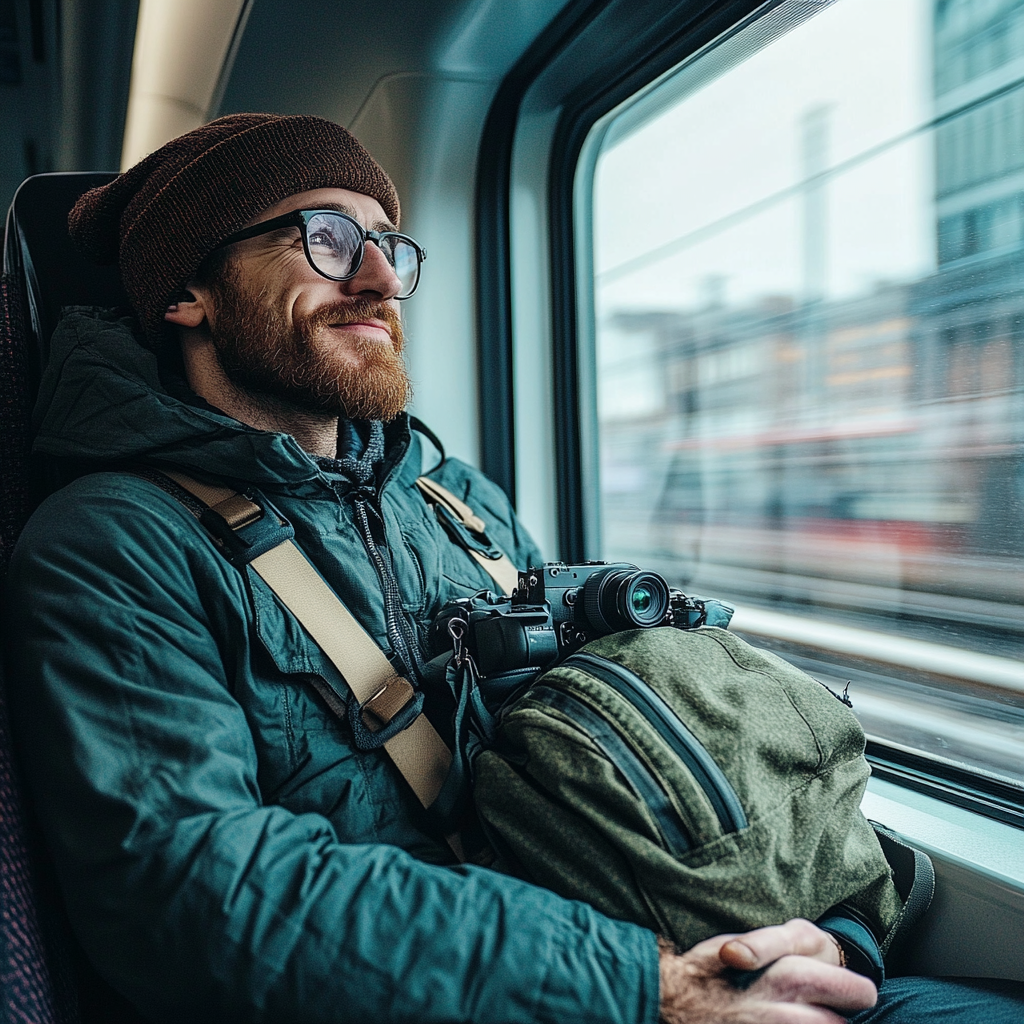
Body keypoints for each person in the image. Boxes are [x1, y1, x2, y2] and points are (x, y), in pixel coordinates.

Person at [1, 113, 1020, 1024]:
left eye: (392, 246)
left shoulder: (458, 503)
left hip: (665, 951)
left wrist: (830, 938)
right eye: (326, 239)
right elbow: (196, 897)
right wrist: (650, 988)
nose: (380, 279)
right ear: (187, 291)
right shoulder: (113, 546)